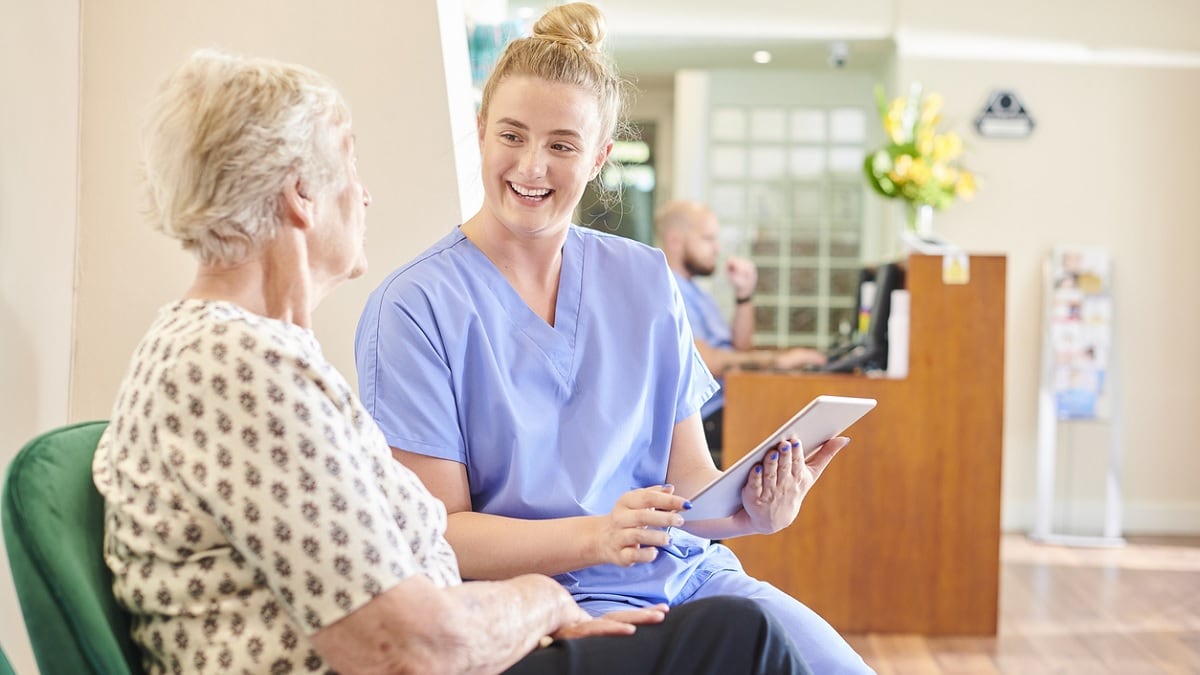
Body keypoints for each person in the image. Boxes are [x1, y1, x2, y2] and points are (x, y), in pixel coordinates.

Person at [91, 49, 813, 675]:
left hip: (471, 641)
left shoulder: (256, 353)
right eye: (348, 164)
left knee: (741, 631)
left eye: (563, 144)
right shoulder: (238, 367)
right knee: (739, 638)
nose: (365, 192)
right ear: (300, 197)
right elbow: (403, 642)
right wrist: (543, 600)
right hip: (443, 654)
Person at [355, 4, 873, 674]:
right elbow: (438, 532)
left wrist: (753, 512)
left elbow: (685, 484)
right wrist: (596, 535)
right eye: (511, 135)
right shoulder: (415, 307)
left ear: (599, 157)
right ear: (479, 131)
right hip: (542, 599)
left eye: (563, 145)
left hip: (689, 578)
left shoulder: (645, 278)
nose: (531, 166)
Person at [655, 199, 827, 455]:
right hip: (704, 420)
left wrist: (744, 294)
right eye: (708, 239)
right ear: (675, 240)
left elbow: (740, 348)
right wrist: (778, 361)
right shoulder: (667, 290)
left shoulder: (698, 293)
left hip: (731, 403)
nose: (717, 248)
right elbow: (709, 362)